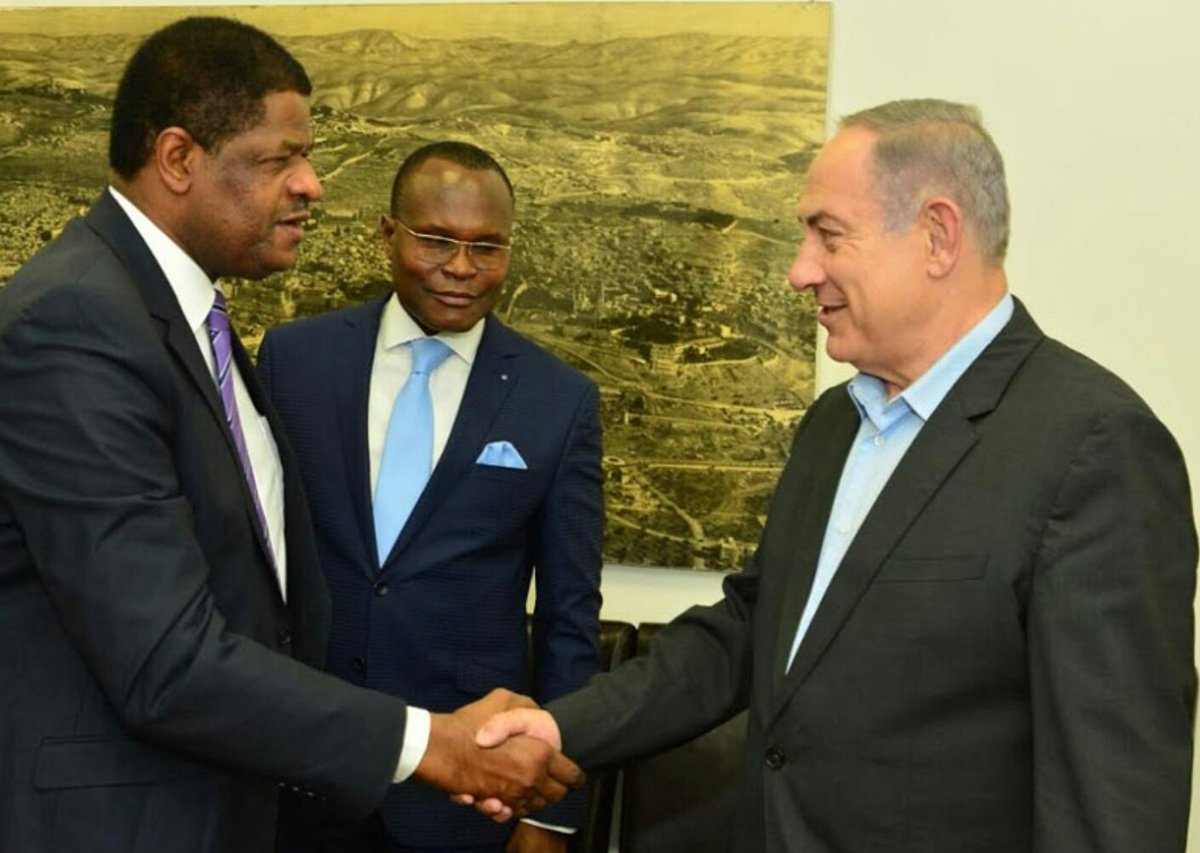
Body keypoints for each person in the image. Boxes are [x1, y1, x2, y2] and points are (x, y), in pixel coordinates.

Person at [475, 99, 1198, 852]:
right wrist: (560, 726)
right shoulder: (833, 424)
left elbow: (1113, 797)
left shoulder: (1094, 446)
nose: (800, 271)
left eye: (829, 234)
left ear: (938, 235)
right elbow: (749, 632)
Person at [0, 19, 580, 853]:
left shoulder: (183, 319)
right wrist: (429, 742)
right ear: (178, 158)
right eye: (281, 160)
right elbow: (165, 659)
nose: (311, 184)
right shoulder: (77, 323)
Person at [258, 140, 603, 853]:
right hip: (303, 775)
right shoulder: (295, 361)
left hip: (469, 798)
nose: (461, 268)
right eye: (437, 241)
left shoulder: (557, 401)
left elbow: (569, 619)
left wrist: (550, 814)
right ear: (388, 235)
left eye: (486, 247)